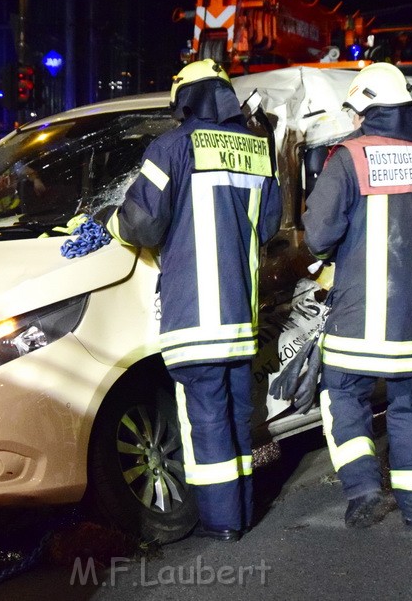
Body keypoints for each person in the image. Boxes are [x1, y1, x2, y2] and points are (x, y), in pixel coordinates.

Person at [98, 59, 282, 541]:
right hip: (241, 316)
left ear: (184, 99)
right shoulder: (257, 152)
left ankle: (221, 524)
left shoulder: (171, 147)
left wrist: (107, 224)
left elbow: (141, 223)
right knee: (239, 415)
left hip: (193, 315)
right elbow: (269, 226)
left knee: (206, 420)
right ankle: (241, 511)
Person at [302, 62, 412, 530]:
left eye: (355, 113)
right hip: (411, 327)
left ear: (366, 112)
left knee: (343, 398)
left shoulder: (348, 159)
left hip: (354, 324)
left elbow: (318, 235)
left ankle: (362, 491)